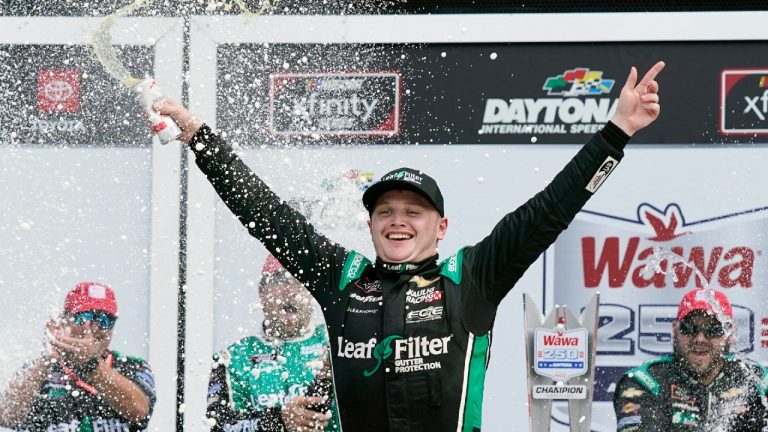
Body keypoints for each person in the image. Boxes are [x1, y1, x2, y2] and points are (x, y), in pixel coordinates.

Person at [155, 61, 665, 431]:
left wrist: (616, 132)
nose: (398, 222)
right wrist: (202, 140)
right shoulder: (344, 279)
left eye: (413, 212)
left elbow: (550, 210)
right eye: (385, 212)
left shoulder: (472, 278)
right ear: (372, 223)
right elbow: (267, 216)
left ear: (440, 226)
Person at [206, 255, 341, 432]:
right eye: (279, 280)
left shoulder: (337, 342)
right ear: (262, 293)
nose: (289, 290)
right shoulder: (232, 359)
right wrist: (279, 421)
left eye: (298, 279)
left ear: (312, 291)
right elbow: (219, 426)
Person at [0, 282, 156, 431]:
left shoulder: (132, 366)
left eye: (104, 320)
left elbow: (139, 411)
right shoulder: (39, 371)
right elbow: (6, 416)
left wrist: (90, 364)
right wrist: (46, 361)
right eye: (84, 317)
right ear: (64, 320)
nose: (94, 327)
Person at [613, 288, 768, 431]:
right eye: (689, 328)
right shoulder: (646, 382)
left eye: (713, 330)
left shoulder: (757, 379)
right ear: (674, 330)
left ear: (730, 333)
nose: (700, 339)